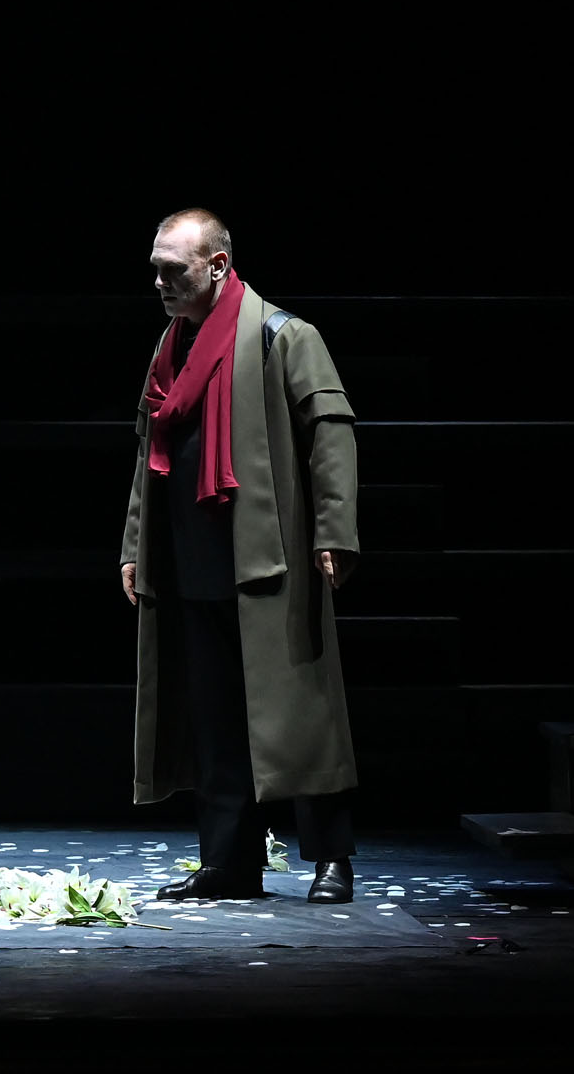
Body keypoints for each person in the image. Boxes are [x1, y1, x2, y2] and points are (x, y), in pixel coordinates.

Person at [119, 209, 362, 904]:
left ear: (218, 265)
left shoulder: (284, 336)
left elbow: (330, 433)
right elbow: (149, 450)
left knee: (305, 714)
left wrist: (334, 531)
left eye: (175, 270)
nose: (161, 283)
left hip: (270, 561)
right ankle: (230, 862)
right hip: (193, 558)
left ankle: (332, 858)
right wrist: (136, 544)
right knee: (216, 721)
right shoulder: (171, 347)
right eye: (156, 270)